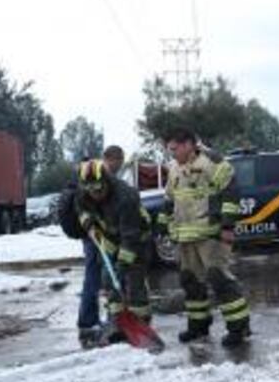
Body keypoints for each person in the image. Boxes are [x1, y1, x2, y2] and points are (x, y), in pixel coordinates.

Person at [157, 127, 252, 348]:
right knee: (191, 283)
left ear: (189, 144)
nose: (172, 154)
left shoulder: (213, 161)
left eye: (175, 148)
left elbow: (231, 192)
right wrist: (162, 225)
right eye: (169, 149)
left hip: (211, 235)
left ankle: (240, 327)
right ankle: (198, 326)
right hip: (185, 237)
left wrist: (228, 225)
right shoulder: (173, 168)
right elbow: (170, 199)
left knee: (220, 280)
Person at [74, 155, 152, 344]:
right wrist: (88, 222)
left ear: (106, 182)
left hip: (135, 238)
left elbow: (130, 236)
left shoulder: (125, 196)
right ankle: (119, 323)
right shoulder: (85, 191)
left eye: (98, 189)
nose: (95, 194)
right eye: (89, 189)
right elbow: (80, 207)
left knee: (134, 282)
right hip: (109, 237)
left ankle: (141, 324)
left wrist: (123, 264)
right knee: (109, 281)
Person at [57, 146, 126, 347]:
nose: (118, 167)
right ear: (109, 159)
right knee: (95, 275)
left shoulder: (87, 174)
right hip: (95, 233)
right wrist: (91, 225)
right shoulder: (95, 177)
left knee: (95, 275)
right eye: (117, 162)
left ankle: (90, 320)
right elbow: (89, 205)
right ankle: (90, 321)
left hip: (92, 231)